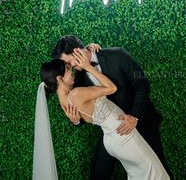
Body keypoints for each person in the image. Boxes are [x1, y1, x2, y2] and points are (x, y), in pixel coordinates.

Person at [52, 36, 173, 179]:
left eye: (68, 61)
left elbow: (142, 84)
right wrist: (76, 120)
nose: (69, 66)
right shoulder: (77, 80)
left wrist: (135, 117)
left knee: (158, 167)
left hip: (141, 121)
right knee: (99, 172)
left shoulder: (117, 55)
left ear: (77, 51)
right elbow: (87, 110)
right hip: (114, 131)